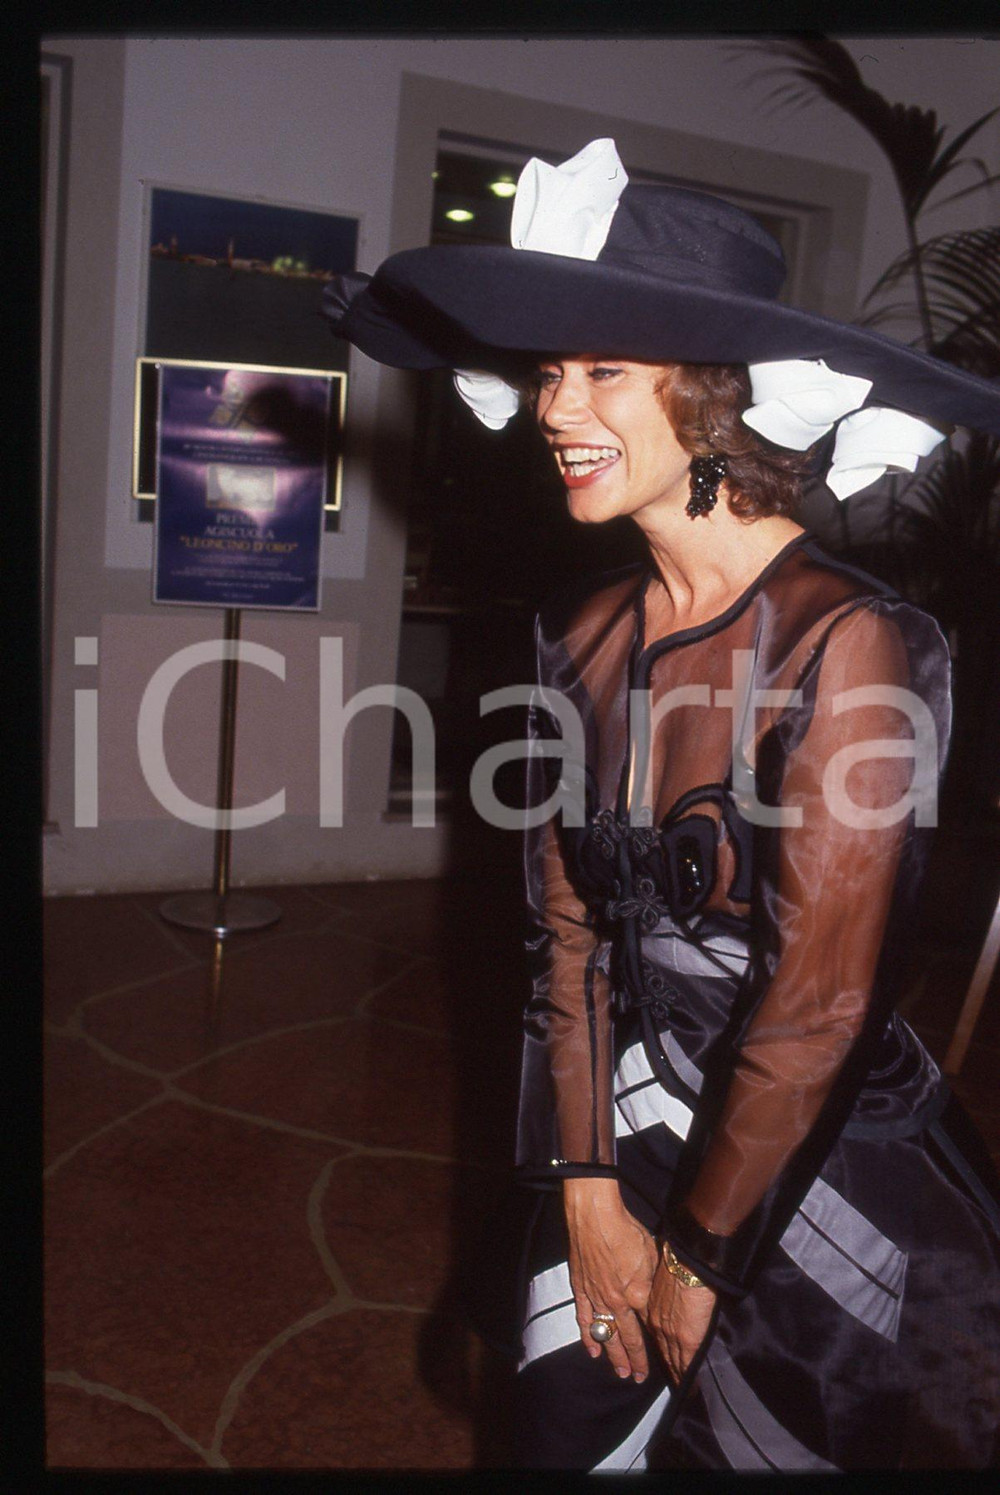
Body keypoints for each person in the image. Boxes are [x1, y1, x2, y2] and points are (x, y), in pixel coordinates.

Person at [325, 139, 1000, 1471]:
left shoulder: (853, 642)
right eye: (547, 372)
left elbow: (816, 1007)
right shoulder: (578, 633)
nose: (550, 408)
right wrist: (582, 1190)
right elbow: (561, 942)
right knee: (552, 1431)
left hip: (802, 1168)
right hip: (610, 1127)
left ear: (709, 400)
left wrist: (698, 1256)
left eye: (601, 372)